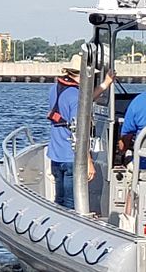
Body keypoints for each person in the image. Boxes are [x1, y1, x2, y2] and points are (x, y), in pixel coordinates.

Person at [46, 54, 113, 209]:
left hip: (56, 153)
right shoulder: (76, 97)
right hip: (71, 158)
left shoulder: (55, 89)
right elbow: (80, 132)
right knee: (71, 202)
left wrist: (105, 84)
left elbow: (85, 100)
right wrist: (88, 162)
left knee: (60, 198)